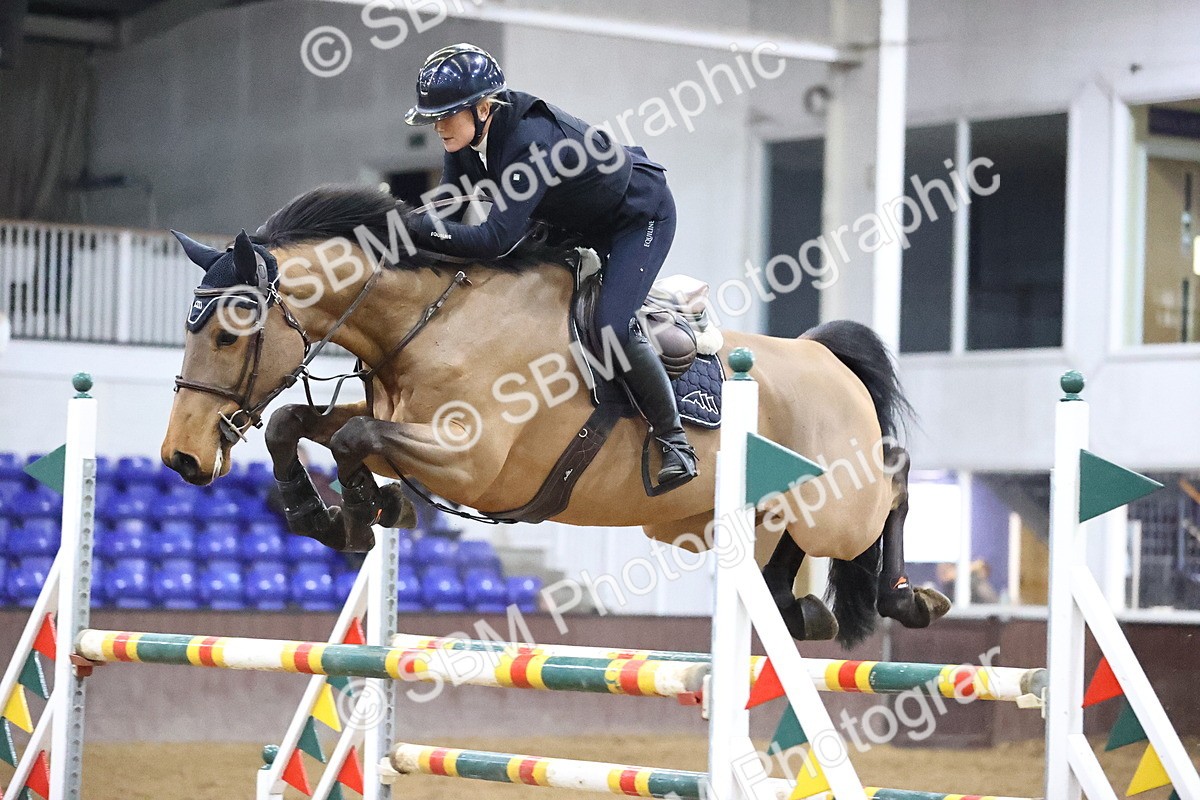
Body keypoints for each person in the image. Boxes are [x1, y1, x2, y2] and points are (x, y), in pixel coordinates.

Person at [403, 43, 697, 493]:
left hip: (636, 216)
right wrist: (406, 237)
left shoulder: (530, 141)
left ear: (484, 108)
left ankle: (674, 440)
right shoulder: (461, 141)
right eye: (434, 118)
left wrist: (416, 229)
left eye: (446, 116)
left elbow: (493, 240)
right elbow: (444, 212)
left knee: (610, 326)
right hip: (572, 218)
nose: (438, 127)